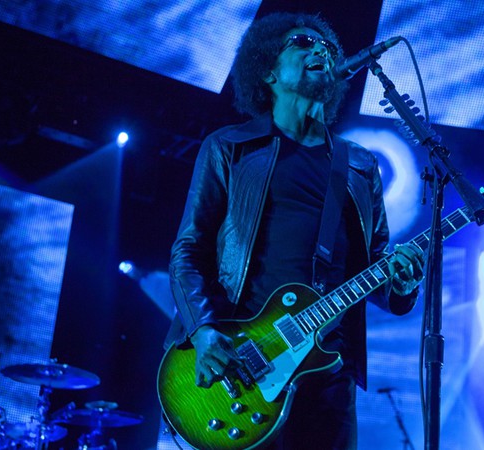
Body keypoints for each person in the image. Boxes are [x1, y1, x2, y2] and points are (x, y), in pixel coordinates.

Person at [164, 12, 425, 449]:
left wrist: (402, 283)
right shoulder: (230, 148)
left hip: (329, 373)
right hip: (242, 361)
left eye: (326, 44)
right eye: (302, 42)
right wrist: (203, 330)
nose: (319, 47)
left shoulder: (360, 165)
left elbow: (375, 270)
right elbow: (187, 251)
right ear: (268, 70)